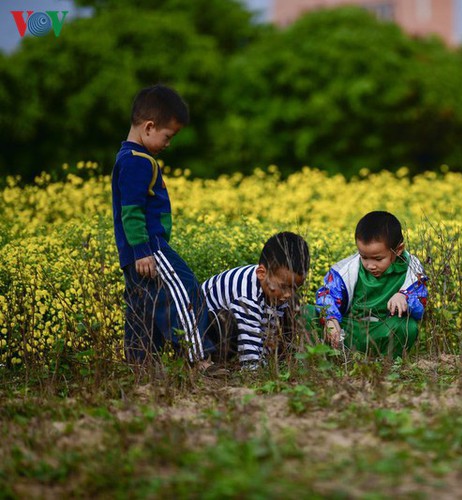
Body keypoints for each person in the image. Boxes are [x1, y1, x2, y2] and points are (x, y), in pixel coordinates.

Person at [112, 84, 213, 366]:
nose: (168, 144)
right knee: (186, 290)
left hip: (134, 252)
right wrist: (144, 250)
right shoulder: (138, 162)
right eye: (167, 137)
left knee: (142, 308)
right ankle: (199, 358)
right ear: (149, 127)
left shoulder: (128, 158)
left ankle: (141, 367)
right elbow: (131, 212)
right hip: (150, 247)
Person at [313, 211, 428, 357]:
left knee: (408, 327)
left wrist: (404, 296)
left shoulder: (412, 269)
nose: (370, 265)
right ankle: (331, 358)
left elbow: (420, 307)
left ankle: (389, 363)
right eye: (364, 257)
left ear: (398, 250)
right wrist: (331, 319)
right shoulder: (346, 269)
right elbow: (327, 294)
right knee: (308, 312)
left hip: (383, 330)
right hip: (350, 330)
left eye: (378, 259)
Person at [202, 232, 310, 370]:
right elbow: (249, 334)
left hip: (240, 329)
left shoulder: (272, 287)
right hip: (206, 334)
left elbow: (267, 330)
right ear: (261, 273)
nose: (288, 294)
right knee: (226, 322)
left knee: (292, 306)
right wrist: (253, 370)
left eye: (295, 288)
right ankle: (213, 363)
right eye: (283, 287)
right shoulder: (246, 295)